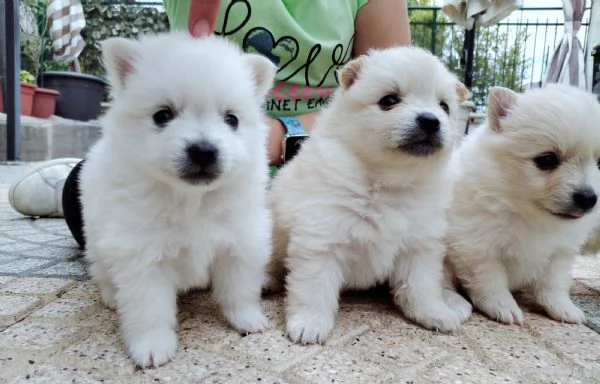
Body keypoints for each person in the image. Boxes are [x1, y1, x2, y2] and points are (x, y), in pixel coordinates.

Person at [8, 0, 411, 248]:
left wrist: (282, 134)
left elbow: (392, 100)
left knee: (355, 233)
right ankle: (77, 179)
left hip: (320, 165)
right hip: (178, 174)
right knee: (93, 209)